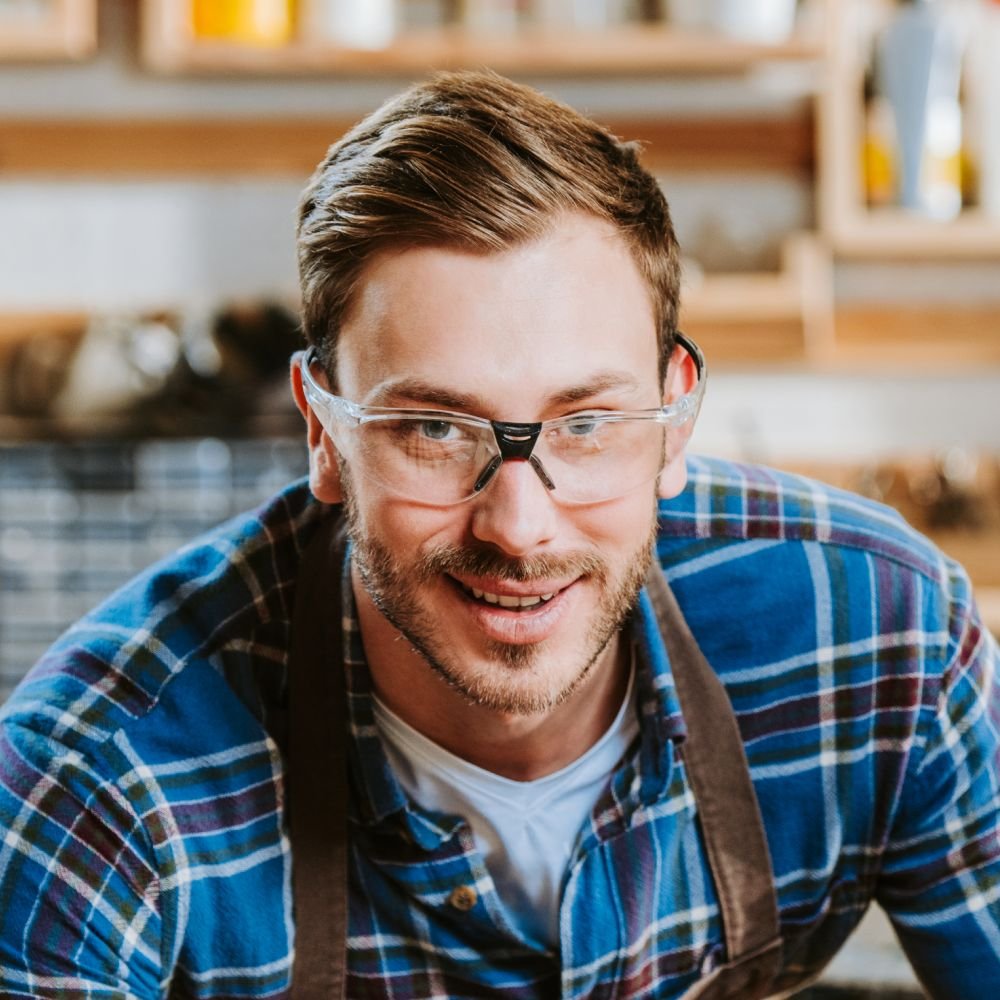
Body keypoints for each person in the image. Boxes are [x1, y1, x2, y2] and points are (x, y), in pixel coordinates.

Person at [1, 70, 998, 1000]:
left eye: (588, 424)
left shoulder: (882, 642)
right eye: (434, 428)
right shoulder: (96, 783)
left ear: (677, 421)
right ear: (323, 430)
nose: (520, 526)